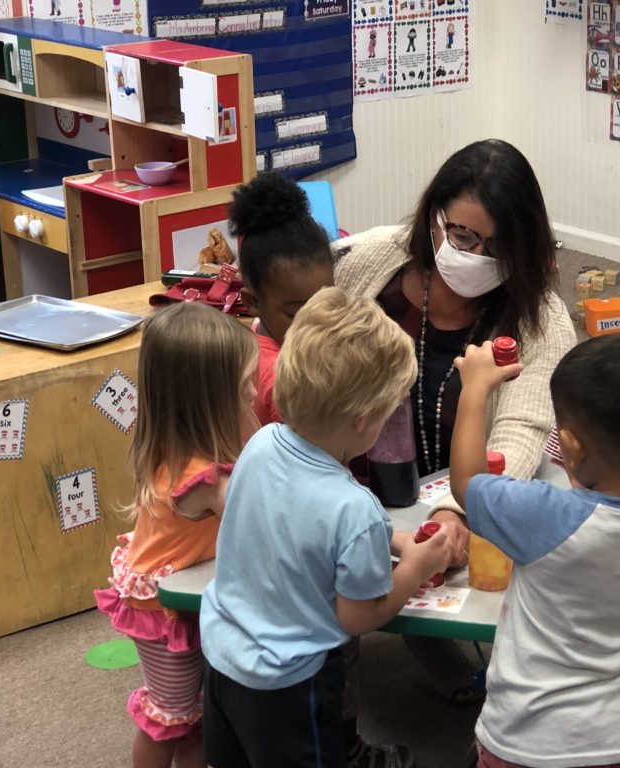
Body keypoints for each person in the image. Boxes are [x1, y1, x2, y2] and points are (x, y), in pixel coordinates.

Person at [333, 138, 576, 713]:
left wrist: (461, 505)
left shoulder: (541, 317)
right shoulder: (373, 264)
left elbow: (520, 432)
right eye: (462, 235)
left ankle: (440, 651)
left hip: (458, 485)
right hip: (363, 471)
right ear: (433, 218)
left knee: (476, 556)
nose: (473, 254)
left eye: (497, 246)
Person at [200, 287, 454, 768]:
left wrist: (394, 538)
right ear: (362, 421)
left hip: (222, 661)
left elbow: (291, 517)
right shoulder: (354, 507)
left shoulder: (262, 443)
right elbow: (358, 617)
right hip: (289, 685)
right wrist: (416, 566)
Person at [449, 333, 620, 768]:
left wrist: (474, 391)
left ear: (571, 446)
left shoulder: (546, 516)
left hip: (525, 743)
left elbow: (468, 485)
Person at [94, 302, 259, 768]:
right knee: (169, 719)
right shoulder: (203, 480)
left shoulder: (183, 445)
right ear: (210, 401)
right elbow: (263, 510)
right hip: (164, 613)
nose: (255, 390)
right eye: (245, 384)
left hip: (182, 593)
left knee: (195, 721)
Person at [228, 170, 334, 425]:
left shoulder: (257, 340)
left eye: (327, 305)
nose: (317, 325)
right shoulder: (287, 381)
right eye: (297, 314)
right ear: (252, 302)